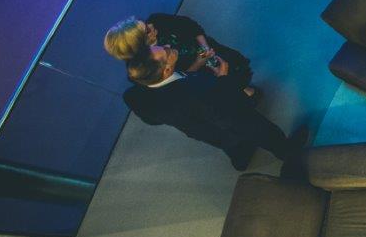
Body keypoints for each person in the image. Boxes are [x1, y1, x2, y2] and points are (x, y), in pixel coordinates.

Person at [123, 44, 306, 171]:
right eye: (166, 51)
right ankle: (287, 151)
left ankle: (241, 157)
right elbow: (229, 108)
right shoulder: (196, 91)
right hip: (232, 120)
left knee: (229, 143)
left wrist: (195, 66)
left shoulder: (133, 96)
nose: (168, 47)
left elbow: (151, 120)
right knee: (264, 133)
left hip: (203, 130)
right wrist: (223, 77)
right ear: (166, 70)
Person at [104, 14, 256, 98]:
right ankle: (241, 93)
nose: (151, 25)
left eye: (145, 23)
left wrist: (206, 48)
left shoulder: (157, 20)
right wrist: (198, 63)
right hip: (198, 77)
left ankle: (244, 88)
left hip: (208, 51)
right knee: (224, 89)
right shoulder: (142, 69)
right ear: (141, 46)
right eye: (147, 31)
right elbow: (175, 86)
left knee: (234, 67)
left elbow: (190, 26)